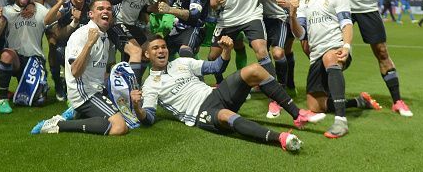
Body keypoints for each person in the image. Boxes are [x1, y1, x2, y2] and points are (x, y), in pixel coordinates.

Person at [131, 36, 320, 152]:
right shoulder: (150, 86)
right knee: (226, 115)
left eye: (163, 46)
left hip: (217, 94)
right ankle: (280, 138)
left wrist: (226, 51)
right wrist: (138, 107)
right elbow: (148, 118)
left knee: (255, 69)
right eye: (155, 48)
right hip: (201, 112)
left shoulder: (181, 62)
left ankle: (298, 114)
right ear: (147, 55)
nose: (161, 50)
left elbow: (216, 66)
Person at [288, 0, 382, 138]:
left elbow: (346, 23)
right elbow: (300, 34)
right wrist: (291, 16)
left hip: (335, 48)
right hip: (316, 56)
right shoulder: (304, 2)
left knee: (329, 57)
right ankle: (359, 102)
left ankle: (341, 121)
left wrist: (346, 46)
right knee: (315, 106)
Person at [31, 0, 129, 136]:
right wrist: (89, 44)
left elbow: (98, 71)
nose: (105, 11)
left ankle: (78, 112)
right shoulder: (81, 35)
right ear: (91, 14)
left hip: (97, 89)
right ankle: (59, 124)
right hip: (85, 93)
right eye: (100, 9)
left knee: (128, 116)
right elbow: (75, 71)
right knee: (119, 127)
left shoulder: (104, 37)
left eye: (108, 9)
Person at [0, 0, 55, 113]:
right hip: (16, 60)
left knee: (39, 101)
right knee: (6, 54)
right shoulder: (7, 11)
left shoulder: (40, 9)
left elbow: (55, 17)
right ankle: (3, 100)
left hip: (35, 59)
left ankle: (38, 88)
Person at [252, 0, 299, 119]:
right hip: (256, 19)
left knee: (278, 53)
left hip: (278, 18)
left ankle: (280, 93)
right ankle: (272, 85)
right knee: (261, 54)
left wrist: (289, 4)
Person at [110, 0, 161, 81]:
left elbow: (141, 7)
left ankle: (133, 82)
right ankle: (133, 89)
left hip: (131, 25)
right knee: (136, 51)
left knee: (149, 51)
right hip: (116, 24)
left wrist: (152, 8)